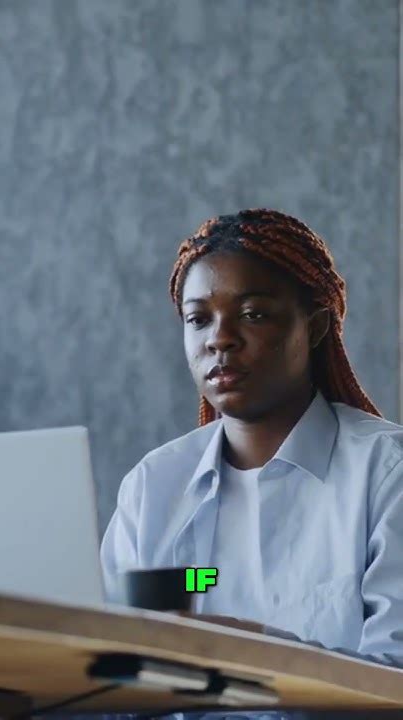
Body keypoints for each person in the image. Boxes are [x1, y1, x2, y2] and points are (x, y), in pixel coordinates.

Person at [100, 208, 403, 719]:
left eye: (253, 314)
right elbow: (107, 662)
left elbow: (395, 682)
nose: (219, 338)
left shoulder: (387, 474)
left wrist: (248, 654)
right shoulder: (153, 485)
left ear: (315, 327)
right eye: (198, 319)